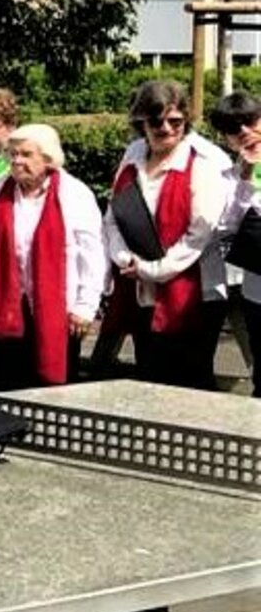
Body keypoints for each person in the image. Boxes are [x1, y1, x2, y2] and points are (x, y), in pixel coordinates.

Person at [105, 80, 227, 389]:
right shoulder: (133, 154)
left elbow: (200, 233)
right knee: (151, 379)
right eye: (156, 121)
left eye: (175, 121)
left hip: (194, 294)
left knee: (190, 384)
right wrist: (125, 259)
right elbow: (114, 216)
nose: (166, 128)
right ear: (141, 121)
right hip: (141, 291)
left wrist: (154, 270)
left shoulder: (203, 161)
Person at [0, 124, 103, 390]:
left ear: (48, 158)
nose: (17, 161)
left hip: (59, 309)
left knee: (51, 387)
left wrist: (85, 307)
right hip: (7, 304)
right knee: (5, 380)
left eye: (26, 155)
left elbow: (92, 254)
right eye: (14, 154)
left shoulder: (75, 194)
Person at [207, 90, 261, 396]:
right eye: (232, 128)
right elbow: (225, 225)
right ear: (226, 140)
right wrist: (246, 178)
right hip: (258, 292)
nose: (244, 132)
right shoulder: (228, 179)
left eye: (251, 121)